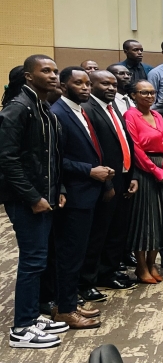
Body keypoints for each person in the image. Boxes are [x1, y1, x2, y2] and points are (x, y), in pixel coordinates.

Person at [0, 55, 70, 348]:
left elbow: (53, 157)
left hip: (47, 197)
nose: (54, 76)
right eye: (46, 71)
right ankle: (22, 329)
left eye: (55, 71)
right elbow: (7, 160)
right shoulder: (18, 109)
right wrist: (33, 197)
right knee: (32, 262)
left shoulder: (45, 110)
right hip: (26, 200)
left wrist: (60, 188)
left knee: (39, 260)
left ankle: (32, 315)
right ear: (29, 76)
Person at [48, 67, 105, 328]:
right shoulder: (58, 113)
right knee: (69, 255)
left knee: (77, 253)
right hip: (72, 195)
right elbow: (56, 159)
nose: (85, 87)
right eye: (78, 83)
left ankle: (68, 301)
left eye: (87, 83)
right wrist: (90, 170)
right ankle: (65, 309)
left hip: (87, 193)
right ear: (63, 85)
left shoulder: (78, 110)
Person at [80, 71, 138, 298]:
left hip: (123, 177)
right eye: (105, 83)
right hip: (105, 181)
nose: (111, 88)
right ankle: (88, 280)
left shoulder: (113, 108)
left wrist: (131, 175)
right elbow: (95, 152)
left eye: (114, 84)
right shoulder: (89, 110)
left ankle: (110, 272)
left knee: (117, 229)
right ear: (91, 85)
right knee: (99, 233)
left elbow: (124, 143)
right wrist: (107, 184)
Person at [123, 80, 163, 285]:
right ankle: (141, 266)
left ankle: (153, 263)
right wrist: (155, 170)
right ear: (134, 95)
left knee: (162, 219)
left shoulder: (157, 115)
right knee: (145, 220)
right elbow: (134, 147)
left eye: (152, 93)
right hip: (144, 170)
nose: (149, 96)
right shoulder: (130, 115)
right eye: (143, 92)